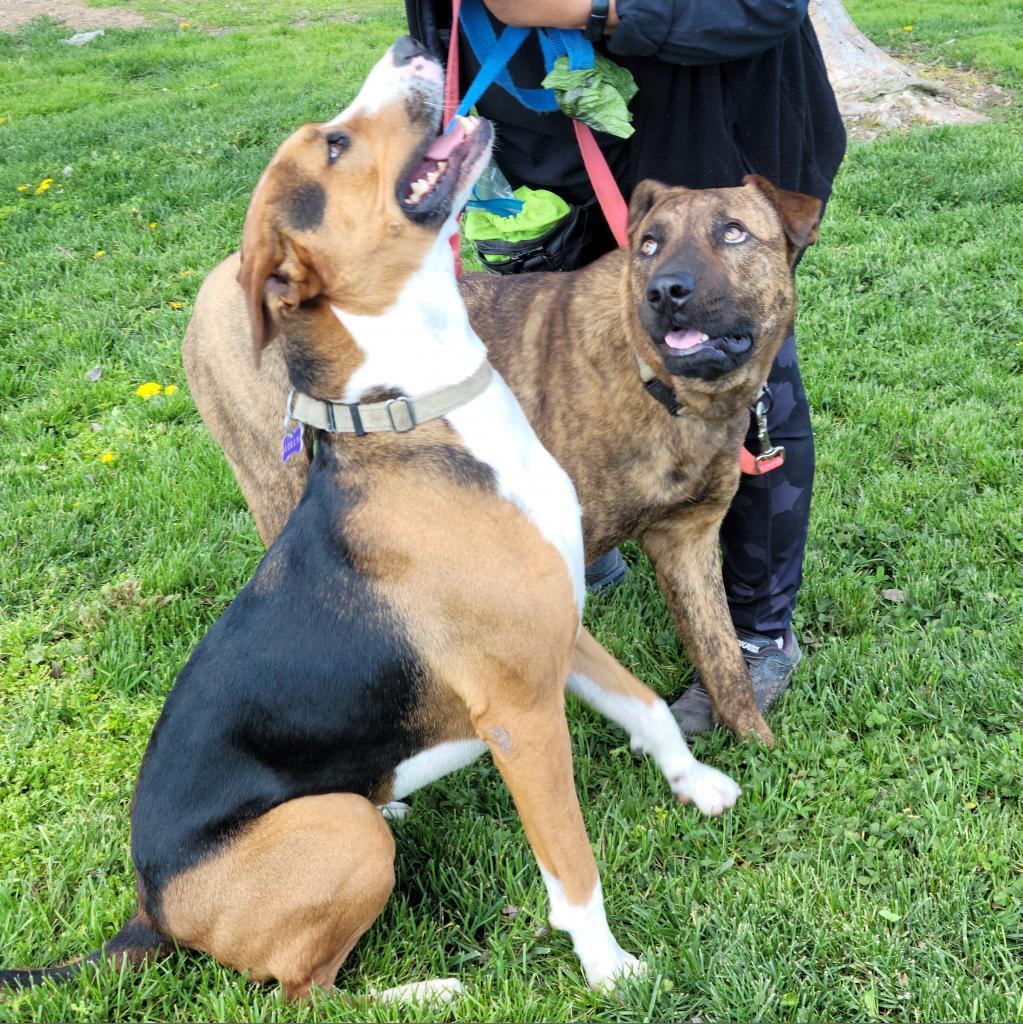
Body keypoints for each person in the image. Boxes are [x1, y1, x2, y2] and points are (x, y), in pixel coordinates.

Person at [406, 0, 846, 732]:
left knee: (740, 378)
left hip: (712, 119)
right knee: (592, 344)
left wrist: (593, 10)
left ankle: (757, 630)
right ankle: (595, 519)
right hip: (572, 147)